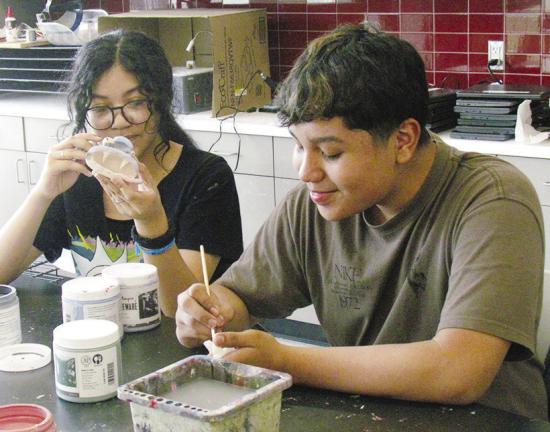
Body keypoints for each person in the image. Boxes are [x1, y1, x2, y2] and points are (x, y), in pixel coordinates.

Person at [175, 24, 548, 420]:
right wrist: (211, 312)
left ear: (403, 140)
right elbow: (242, 297)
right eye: (298, 147)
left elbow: (459, 371)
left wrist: (287, 361)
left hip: (487, 420)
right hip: (368, 414)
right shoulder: (313, 203)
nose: (306, 171)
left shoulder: (491, 198)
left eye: (330, 152)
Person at [0, 29, 243, 318]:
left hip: (185, 351)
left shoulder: (205, 177)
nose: (118, 123)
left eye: (136, 104)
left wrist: (150, 221)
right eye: (101, 108)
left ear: (161, 102)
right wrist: (43, 192)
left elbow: (181, 312)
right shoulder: (78, 178)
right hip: (99, 341)